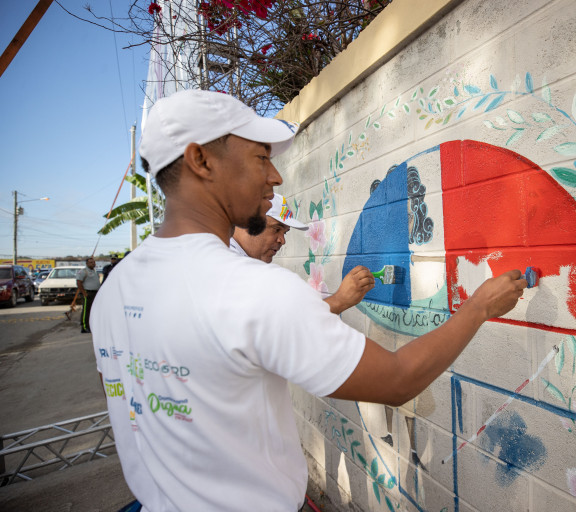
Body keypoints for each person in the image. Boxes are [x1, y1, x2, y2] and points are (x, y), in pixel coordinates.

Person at [90, 89, 527, 511]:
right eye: (260, 157)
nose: (275, 176)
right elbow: (397, 381)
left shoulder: (114, 290)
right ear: (200, 160)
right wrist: (479, 307)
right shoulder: (252, 290)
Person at [230, 192, 375, 314]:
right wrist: (339, 300)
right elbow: (282, 326)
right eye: (276, 229)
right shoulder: (233, 269)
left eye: (285, 232)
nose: (282, 240)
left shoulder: (239, 262)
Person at [75, 257, 100, 334]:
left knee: (93, 310)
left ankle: (91, 325)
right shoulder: (83, 271)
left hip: (95, 293)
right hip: (87, 293)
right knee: (86, 310)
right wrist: (84, 293)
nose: (93, 264)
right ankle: (84, 327)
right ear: (87, 263)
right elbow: (79, 282)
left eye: (94, 262)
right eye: (91, 262)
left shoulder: (94, 271)